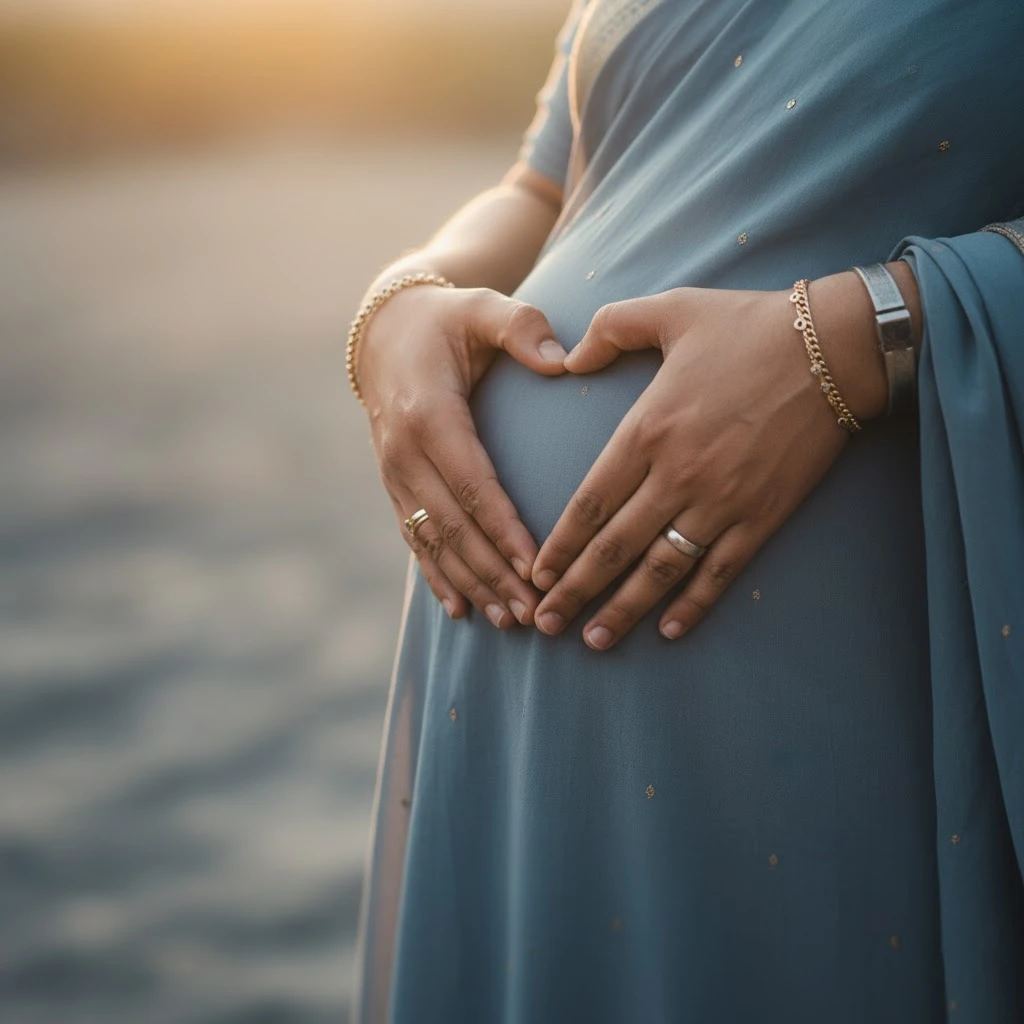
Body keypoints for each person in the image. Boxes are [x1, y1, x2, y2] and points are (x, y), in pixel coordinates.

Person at [350, 1, 1024, 1020]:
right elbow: (539, 187)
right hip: (498, 695)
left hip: (822, 689)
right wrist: (398, 301)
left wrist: (863, 335)